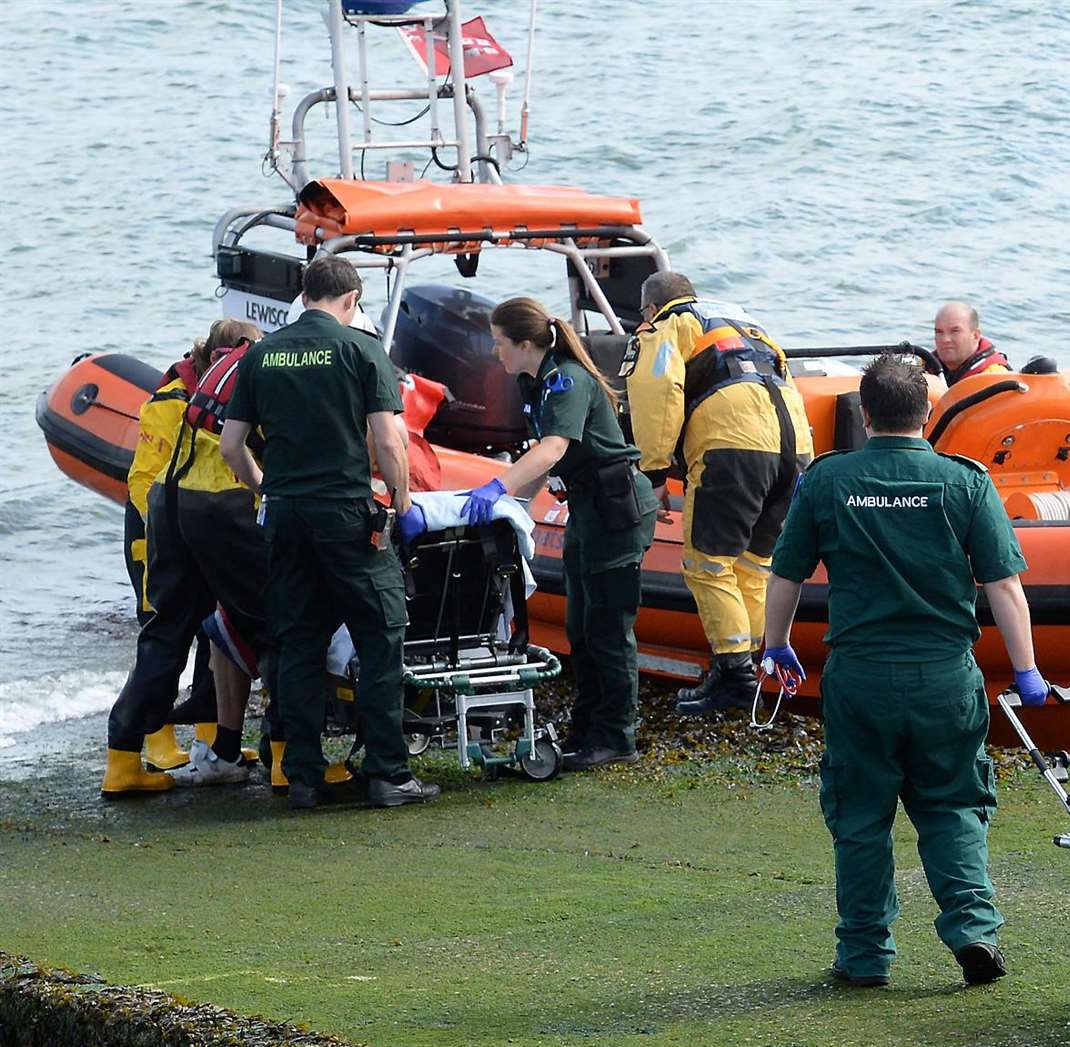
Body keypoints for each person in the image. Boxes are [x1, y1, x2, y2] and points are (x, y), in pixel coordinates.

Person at [761, 354, 1049, 988]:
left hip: (861, 676)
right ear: (931, 412)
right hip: (944, 676)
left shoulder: (830, 481)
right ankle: (973, 930)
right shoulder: (966, 482)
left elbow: (785, 574)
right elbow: (1003, 586)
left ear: (864, 414)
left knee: (861, 818)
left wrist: (775, 645)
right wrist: (1026, 672)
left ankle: (864, 955)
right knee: (953, 807)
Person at [220, 255, 436, 810]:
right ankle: (389, 772)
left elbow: (230, 445)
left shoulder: (262, 354)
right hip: (344, 513)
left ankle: (303, 776)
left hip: (287, 516)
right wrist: (403, 498)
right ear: (351, 299)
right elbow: (389, 440)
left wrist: (266, 488)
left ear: (304, 293)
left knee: (297, 641)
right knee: (381, 635)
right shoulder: (362, 349)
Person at [456, 298, 658, 769]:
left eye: (500, 343)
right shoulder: (538, 381)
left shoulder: (566, 380)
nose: (495, 352)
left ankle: (616, 735)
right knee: (581, 626)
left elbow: (551, 450)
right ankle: (587, 725)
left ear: (525, 343)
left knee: (608, 627)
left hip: (615, 510)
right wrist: (510, 504)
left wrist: (496, 487)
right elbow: (547, 463)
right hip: (589, 508)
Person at [624, 271, 813, 714]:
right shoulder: (743, 322)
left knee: (708, 565)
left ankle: (736, 678)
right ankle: (744, 668)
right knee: (752, 565)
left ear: (650, 308)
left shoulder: (665, 325)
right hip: (794, 447)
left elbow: (658, 392)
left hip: (733, 445)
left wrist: (653, 470)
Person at [101, 320, 260, 797]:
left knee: (222, 634)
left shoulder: (230, 393)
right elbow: (147, 481)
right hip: (165, 530)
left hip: (206, 526)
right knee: (166, 633)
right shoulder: (172, 400)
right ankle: (135, 750)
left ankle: (215, 739)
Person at [931, 302, 1009, 387]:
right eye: (939, 332)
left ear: (975, 335)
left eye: (955, 331)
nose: (945, 339)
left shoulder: (996, 379)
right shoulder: (925, 367)